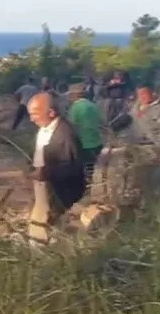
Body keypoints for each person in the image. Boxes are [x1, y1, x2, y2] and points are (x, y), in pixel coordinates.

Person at [25, 92, 86, 245]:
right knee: (40, 224)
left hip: (59, 193)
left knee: (55, 228)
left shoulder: (64, 134)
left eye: (35, 114)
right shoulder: (46, 128)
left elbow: (74, 168)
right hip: (45, 188)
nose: (31, 119)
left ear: (51, 112)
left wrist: (45, 173)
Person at [66, 83, 103, 191]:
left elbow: (71, 127)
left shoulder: (75, 108)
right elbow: (101, 122)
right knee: (95, 169)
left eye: (70, 95)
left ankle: (88, 191)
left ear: (75, 95)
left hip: (83, 143)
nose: (69, 97)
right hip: (97, 142)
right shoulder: (93, 105)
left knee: (86, 170)